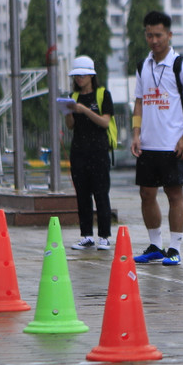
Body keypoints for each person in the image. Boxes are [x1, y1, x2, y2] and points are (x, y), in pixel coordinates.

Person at [130, 11, 183, 266]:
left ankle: (174, 248)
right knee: (146, 194)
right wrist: (136, 134)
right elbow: (139, 103)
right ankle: (155, 245)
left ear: (169, 35)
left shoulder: (182, 65)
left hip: (173, 143)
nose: (154, 40)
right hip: (148, 144)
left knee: (174, 195)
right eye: (149, 35)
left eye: (158, 35)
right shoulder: (143, 66)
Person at [65, 55, 115, 250]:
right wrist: (68, 111)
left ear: (91, 76)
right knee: (82, 194)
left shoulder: (102, 94)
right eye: (76, 76)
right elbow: (70, 125)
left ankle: (104, 236)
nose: (79, 79)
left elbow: (105, 122)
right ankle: (86, 235)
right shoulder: (73, 97)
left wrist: (84, 110)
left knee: (101, 194)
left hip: (99, 151)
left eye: (82, 75)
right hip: (79, 151)